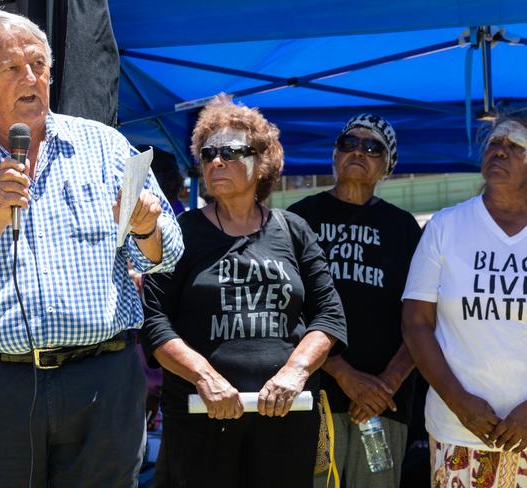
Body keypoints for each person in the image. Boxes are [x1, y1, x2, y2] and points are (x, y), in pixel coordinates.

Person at [0, 8, 183, 488]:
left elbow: (167, 253)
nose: (31, 77)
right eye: (12, 68)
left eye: (39, 65)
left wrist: (145, 229)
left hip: (102, 383)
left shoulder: (106, 146)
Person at [141, 96, 347, 488]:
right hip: (202, 418)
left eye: (232, 151)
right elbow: (154, 321)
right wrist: (204, 377)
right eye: (208, 153)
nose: (217, 161)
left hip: (286, 420)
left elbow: (329, 316)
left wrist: (295, 372)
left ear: (262, 162)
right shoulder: (182, 232)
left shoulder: (294, 230)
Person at [288, 113, 421, 488]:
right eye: (348, 143)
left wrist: (385, 386)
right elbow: (288, 310)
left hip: (382, 404)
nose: (358, 151)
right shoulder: (298, 219)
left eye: (372, 147)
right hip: (315, 397)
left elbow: (422, 317)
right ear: (334, 155)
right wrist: (344, 374)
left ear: (387, 166)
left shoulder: (404, 227)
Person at [402, 112, 527, 487]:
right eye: (494, 144)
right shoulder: (445, 226)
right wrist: (460, 403)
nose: (499, 152)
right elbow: (416, 324)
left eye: (515, 146)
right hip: (458, 429)